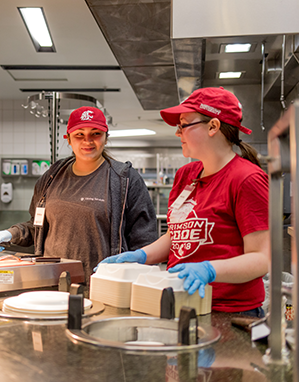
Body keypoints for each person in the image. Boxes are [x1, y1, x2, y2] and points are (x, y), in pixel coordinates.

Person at [99, 87, 269, 317]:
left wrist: (210, 270)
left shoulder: (246, 179)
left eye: (184, 125)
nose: (178, 133)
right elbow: (177, 235)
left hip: (230, 312)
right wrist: (142, 256)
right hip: (180, 302)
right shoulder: (186, 175)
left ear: (213, 126)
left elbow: (262, 259)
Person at [0, 106, 157, 284]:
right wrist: (11, 233)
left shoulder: (125, 179)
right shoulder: (52, 177)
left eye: (96, 133)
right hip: (51, 281)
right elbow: (37, 227)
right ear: (68, 139)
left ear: (106, 138)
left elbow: (144, 241)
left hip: (101, 284)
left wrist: (135, 282)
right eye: (79, 134)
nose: (88, 141)